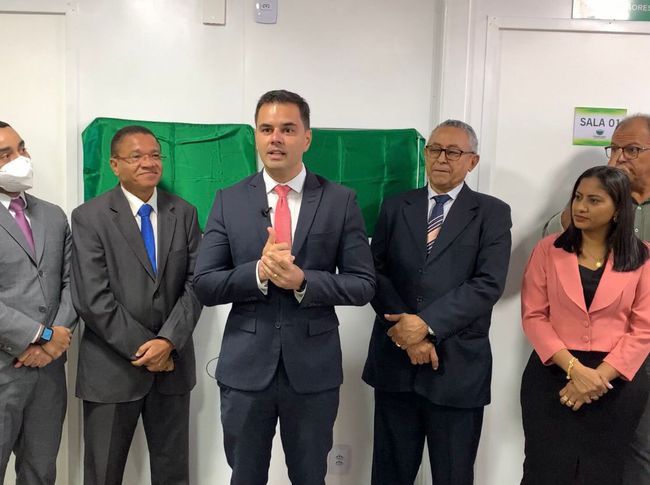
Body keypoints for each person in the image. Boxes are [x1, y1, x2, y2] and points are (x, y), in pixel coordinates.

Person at [193, 89, 375, 485]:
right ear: (256, 136)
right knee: (245, 476)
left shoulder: (340, 201)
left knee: (309, 477)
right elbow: (204, 283)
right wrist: (258, 272)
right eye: (266, 129)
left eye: (288, 129)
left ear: (307, 138)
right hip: (245, 369)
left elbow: (363, 285)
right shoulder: (228, 200)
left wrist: (304, 281)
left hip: (313, 371)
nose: (276, 138)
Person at [362, 119, 512, 485]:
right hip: (396, 363)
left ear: (472, 161)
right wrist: (407, 334)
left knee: (453, 474)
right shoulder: (396, 206)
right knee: (389, 474)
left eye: (453, 152)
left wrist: (426, 326)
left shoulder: (491, 213)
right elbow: (375, 272)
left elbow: (488, 284)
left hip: (456, 367)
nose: (442, 158)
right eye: (434, 150)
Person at [70, 125, 203, 485]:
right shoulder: (89, 217)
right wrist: (148, 349)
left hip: (172, 369)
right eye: (137, 156)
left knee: (173, 475)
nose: (149, 163)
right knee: (103, 475)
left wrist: (168, 342)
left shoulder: (184, 213)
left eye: (155, 155)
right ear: (115, 165)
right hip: (111, 370)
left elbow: (196, 284)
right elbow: (91, 298)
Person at [521, 166, 650, 484]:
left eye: (594, 200)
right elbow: (534, 316)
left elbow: (644, 328)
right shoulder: (548, 250)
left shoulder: (643, 256)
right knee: (545, 469)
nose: (580, 207)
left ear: (618, 209)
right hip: (553, 374)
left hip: (615, 381)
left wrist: (597, 378)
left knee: (604, 472)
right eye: (578, 197)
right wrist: (576, 371)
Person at [0, 121, 76, 484]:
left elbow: (72, 282)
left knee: (41, 473)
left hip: (48, 373)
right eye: (5, 154)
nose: (21, 158)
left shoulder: (53, 215)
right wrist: (39, 335)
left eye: (22, 148)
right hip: (4, 368)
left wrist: (54, 340)